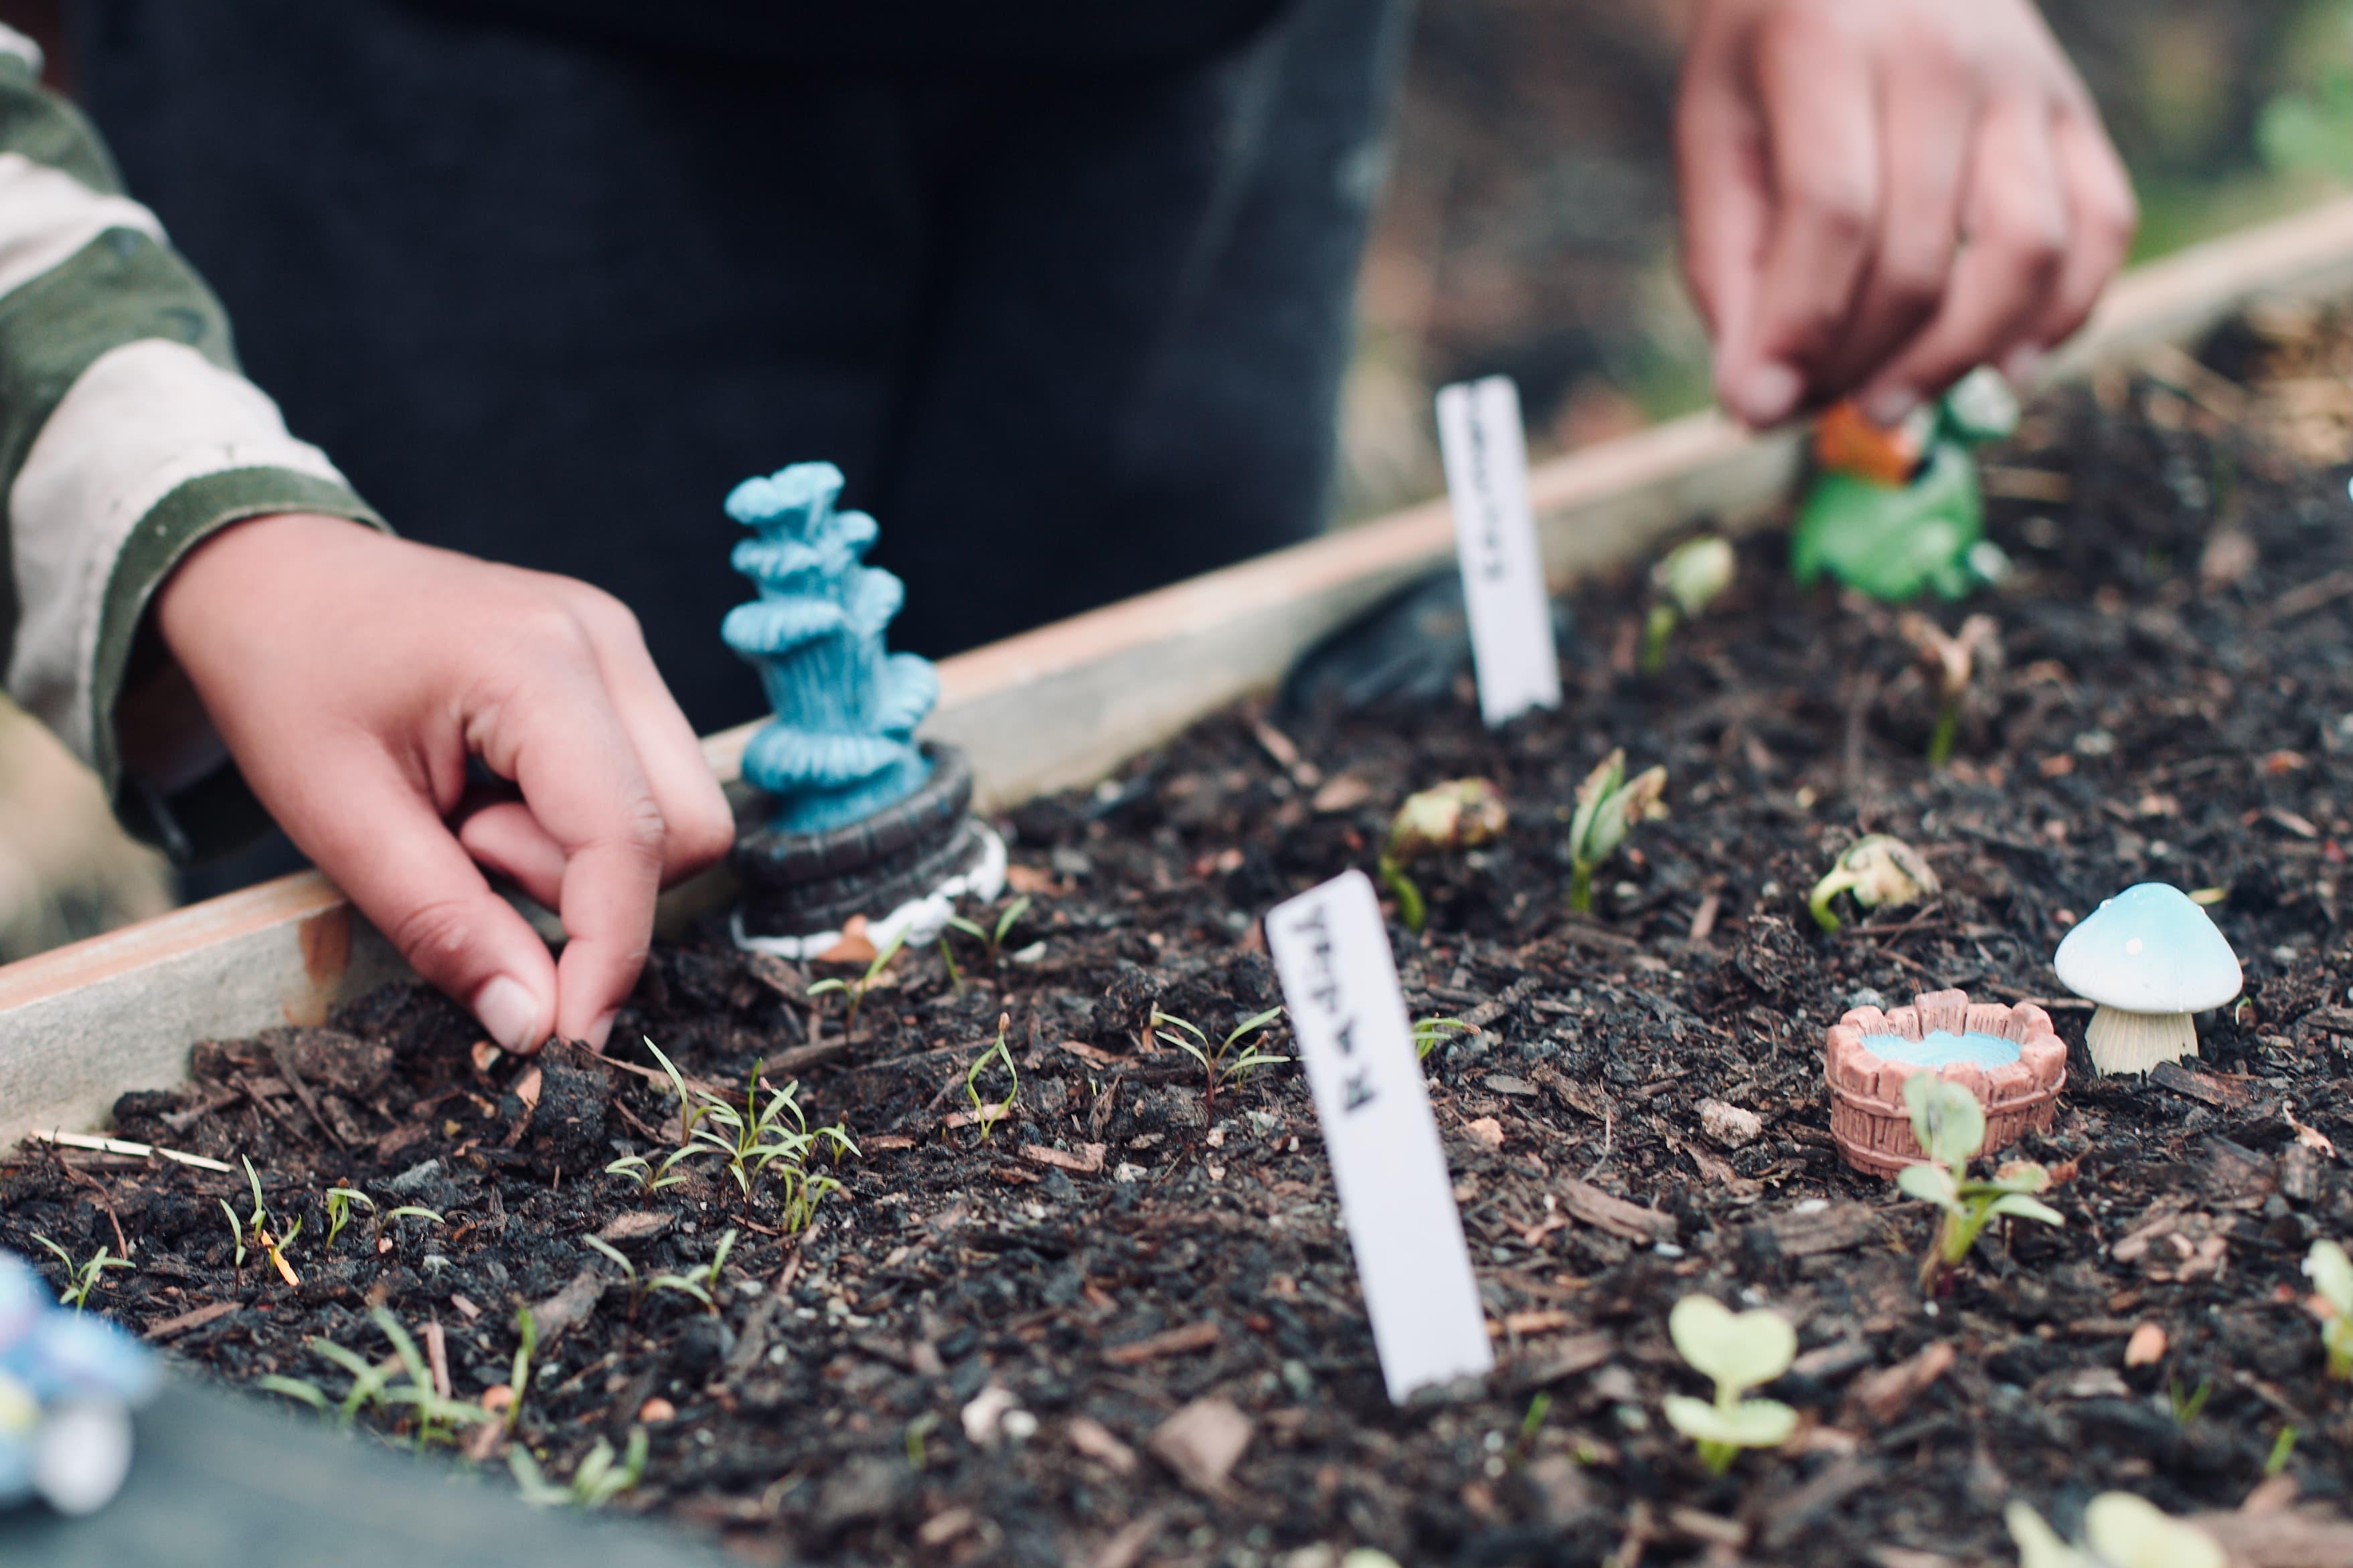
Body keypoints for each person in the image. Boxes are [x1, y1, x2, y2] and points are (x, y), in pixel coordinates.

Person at [1, 0, 2133, 1052]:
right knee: (519, 928)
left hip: (1185, 78)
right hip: (438, 96)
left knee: (1157, 800)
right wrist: (197, 521)